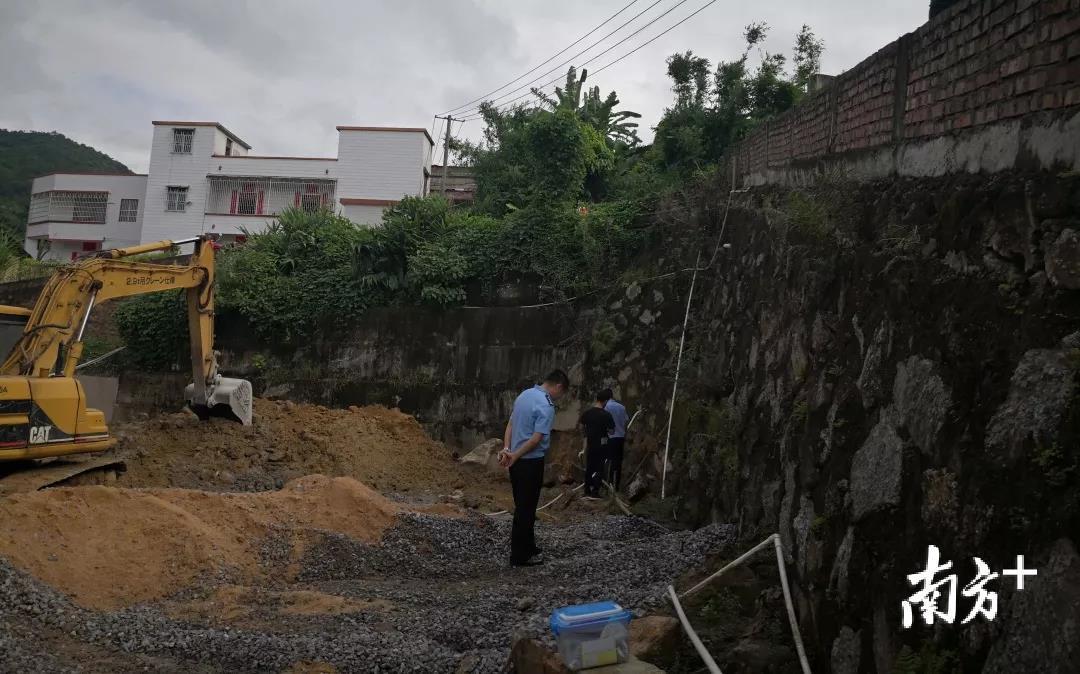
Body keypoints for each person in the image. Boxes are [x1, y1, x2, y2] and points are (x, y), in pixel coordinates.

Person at [499, 369, 569, 567]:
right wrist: (516, 454)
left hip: (515, 461)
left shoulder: (524, 395)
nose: (559, 397)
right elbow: (537, 439)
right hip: (529, 461)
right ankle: (519, 556)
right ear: (558, 387)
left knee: (524, 505)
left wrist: (508, 450)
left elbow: (510, 425)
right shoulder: (546, 405)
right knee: (526, 509)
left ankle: (529, 546)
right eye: (561, 393)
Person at [579, 392, 615, 499]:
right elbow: (612, 431)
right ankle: (595, 491)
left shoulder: (587, 413)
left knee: (589, 467)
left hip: (590, 444)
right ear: (605, 401)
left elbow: (581, 426)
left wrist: (586, 435)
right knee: (600, 468)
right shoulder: (606, 415)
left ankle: (586, 490)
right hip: (602, 444)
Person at [600, 389, 629, 490]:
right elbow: (626, 423)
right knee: (618, 462)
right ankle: (615, 486)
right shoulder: (622, 407)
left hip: (609, 438)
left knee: (606, 460)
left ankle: (606, 484)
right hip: (620, 438)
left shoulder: (606, 407)